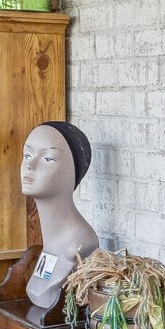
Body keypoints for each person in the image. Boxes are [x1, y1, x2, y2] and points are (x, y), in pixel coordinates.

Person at [19, 121, 100, 309]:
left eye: (48, 159)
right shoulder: (51, 245)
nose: (30, 165)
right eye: (27, 155)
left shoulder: (80, 244)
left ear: (71, 173)